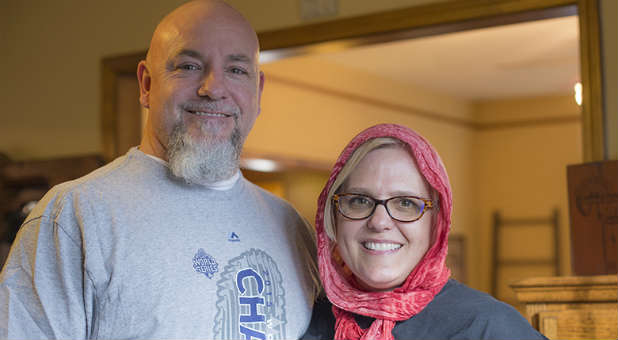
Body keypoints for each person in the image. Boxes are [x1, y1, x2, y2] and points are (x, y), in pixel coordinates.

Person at [0, 1, 317, 339]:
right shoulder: (76, 214)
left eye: (237, 70)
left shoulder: (289, 225)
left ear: (258, 91)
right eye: (189, 65)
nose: (213, 88)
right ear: (146, 85)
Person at [301, 123, 547, 340]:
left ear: (437, 223)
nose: (379, 221)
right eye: (359, 200)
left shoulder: (487, 326)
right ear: (333, 215)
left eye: (405, 203)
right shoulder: (303, 321)